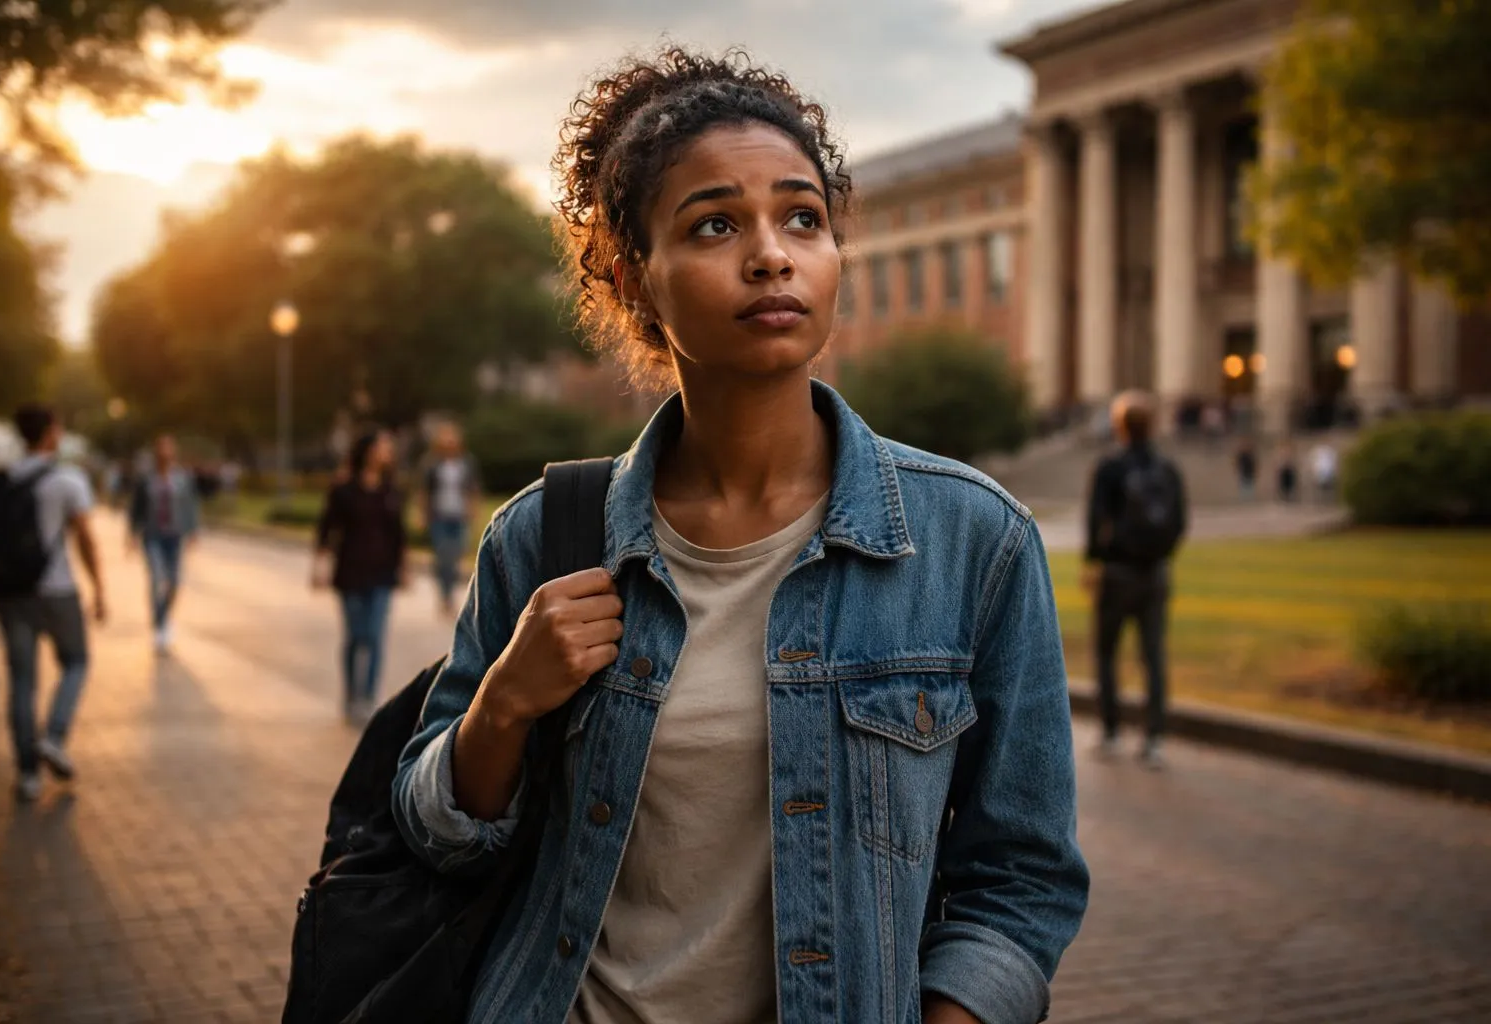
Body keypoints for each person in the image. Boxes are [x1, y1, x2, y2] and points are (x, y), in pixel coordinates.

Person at [392, 49, 1089, 1024]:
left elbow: (1023, 877)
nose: (772, 254)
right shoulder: (544, 536)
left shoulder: (975, 541)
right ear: (633, 277)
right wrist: (504, 705)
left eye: (802, 217)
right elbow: (435, 831)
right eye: (715, 224)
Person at [0, 405, 106, 801]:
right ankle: (54, 735)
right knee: (76, 661)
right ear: (51, 432)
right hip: (56, 591)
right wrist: (99, 586)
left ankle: (28, 776)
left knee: (21, 682)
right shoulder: (67, 479)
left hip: (11, 595)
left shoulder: (0, 480)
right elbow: (84, 537)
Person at [1083, 391, 1187, 769]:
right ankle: (1154, 738)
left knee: (1107, 653)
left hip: (1117, 573)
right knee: (1153, 655)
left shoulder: (1110, 467)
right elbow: (1179, 522)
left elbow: (1096, 520)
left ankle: (1111, 731)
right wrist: (1159, 556)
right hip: (1156, 573)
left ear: (1119, 425)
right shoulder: (1168, 469)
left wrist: (1094, 562)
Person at [314, 430, 407, 725]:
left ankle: (368, 697)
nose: (386, 452)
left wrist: (402, 567)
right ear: (367, 451)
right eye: (382, 447)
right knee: (357, 636)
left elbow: (398, 534)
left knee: (376, 637)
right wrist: (319, 565)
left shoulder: (390, 489)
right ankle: (351, 695)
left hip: (382, 573)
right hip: (351, 572)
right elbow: (327, 528)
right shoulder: (344, 490)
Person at [128, 434, 200, 653]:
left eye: (169, 448)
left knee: (175, 582)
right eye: (161, 449)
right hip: (153, 536)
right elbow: (136, 508)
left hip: (175, 535)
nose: (165, 453)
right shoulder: (146, 478)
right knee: (157, 579)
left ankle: (164, 616)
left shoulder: (182, 477)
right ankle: (159, 625)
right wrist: (131, 533)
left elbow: (190, 505)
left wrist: (193, 531)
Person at [420, 422, 480, 618]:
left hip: (459, 515)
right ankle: (445, 597)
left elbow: (472, 489)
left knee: (455, 556)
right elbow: (424, 491)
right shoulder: (432, 463)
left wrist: (473, 512)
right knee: (442, 557)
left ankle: (450, 594)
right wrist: (422, 513)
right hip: (439, 515)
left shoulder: (466, 463)